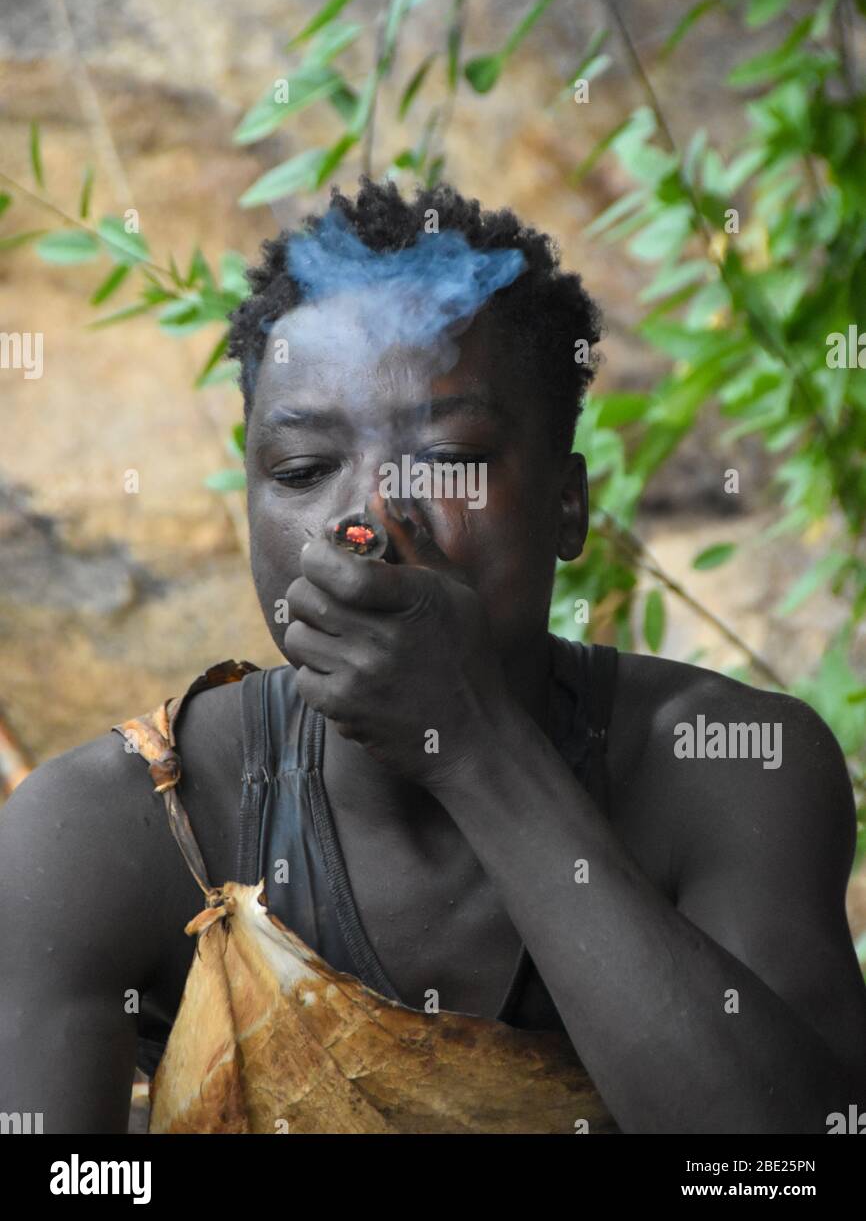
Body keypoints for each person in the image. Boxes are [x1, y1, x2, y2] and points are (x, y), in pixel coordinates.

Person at [1, 178, 865, 1134]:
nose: (369, 517)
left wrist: (477, 748)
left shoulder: (726, 766)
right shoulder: (116, 828)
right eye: (301, 471)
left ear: (567, 505)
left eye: (447, 458)